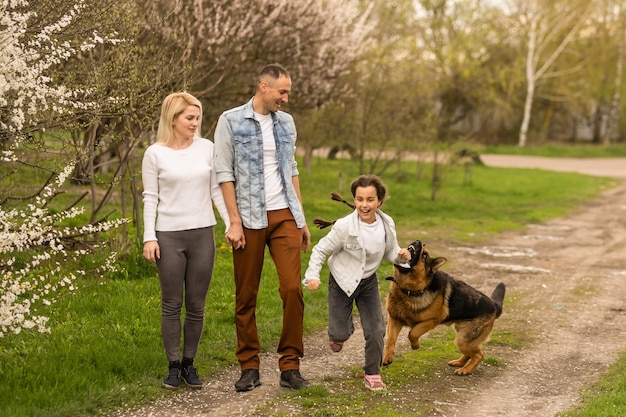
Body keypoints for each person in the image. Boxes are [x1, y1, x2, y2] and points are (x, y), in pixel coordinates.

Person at [214, 64, 311, 392]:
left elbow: (292, 167)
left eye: (288, 92)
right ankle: (249, 366)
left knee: (291, 289)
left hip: (284, 213)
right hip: (249, 218)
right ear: (263, 87)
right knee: (246, 294)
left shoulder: (287, 123)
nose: (285, 98)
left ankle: (290, 365)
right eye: (281, 92)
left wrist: (300, 216)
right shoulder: (231, 120)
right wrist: (234, 221)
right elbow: (224, 173)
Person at [142, 92, 230, 390]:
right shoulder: (155, 153)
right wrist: (148, 237)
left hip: (203, 233)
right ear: (173, 119)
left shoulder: (207, 148)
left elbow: (216, 190)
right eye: (189, 118)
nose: (195, 123)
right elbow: (150, 197)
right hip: (168, 236)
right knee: (171, 304)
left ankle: (190, 364)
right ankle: (172, 365)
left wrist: (232, 225)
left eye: (197, 118)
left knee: (196, 304)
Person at [303, 174, 410, 391]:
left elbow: (391, 252)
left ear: (379, 200)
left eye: (370, 199)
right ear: (354, 199)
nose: (364, 205)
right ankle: (339, 334)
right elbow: (320, 249)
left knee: (376, 329)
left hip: (368, 282)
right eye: (360, 199)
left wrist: (402, 256)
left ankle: (372, 373)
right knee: (339, 334)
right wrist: (312, 276)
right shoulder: (344, 226)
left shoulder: (386, 223)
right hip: (342, 281)